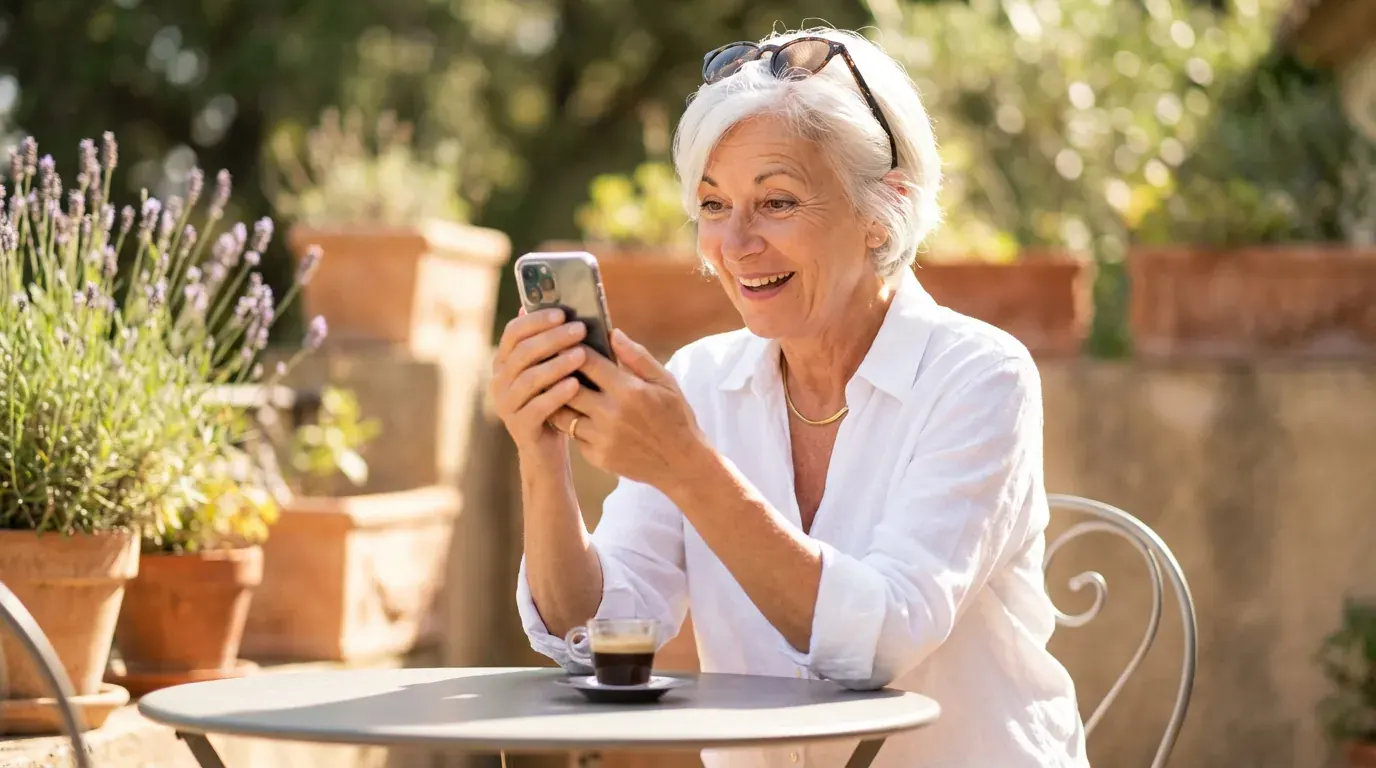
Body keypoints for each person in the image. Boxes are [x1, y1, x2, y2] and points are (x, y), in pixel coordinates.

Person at [491, 26, 1088, 768]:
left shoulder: (979, 375)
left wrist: (687, 466)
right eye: (713, 205)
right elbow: (594, 631)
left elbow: (881, 641)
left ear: (883, 210)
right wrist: (540, 452)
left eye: (776, 202)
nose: (735, 245)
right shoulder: (705, 381)